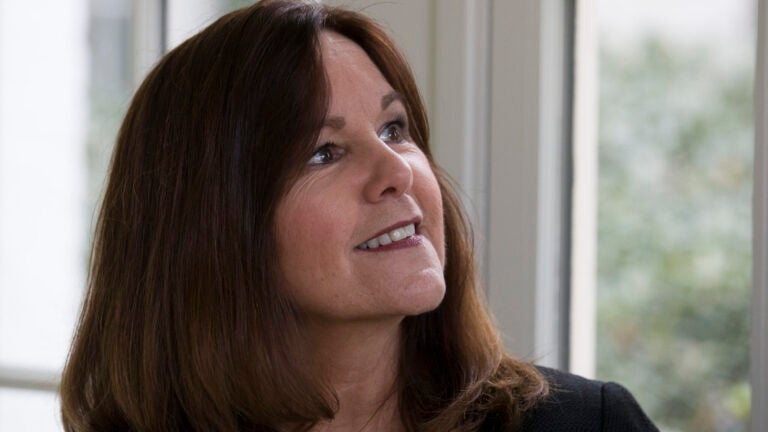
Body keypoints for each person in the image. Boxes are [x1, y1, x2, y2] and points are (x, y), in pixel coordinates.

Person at [59, 1, 659, 431]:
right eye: (324, 152)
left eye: (394, 129)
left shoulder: (590, 423)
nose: (398, 170)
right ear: (211, 227)